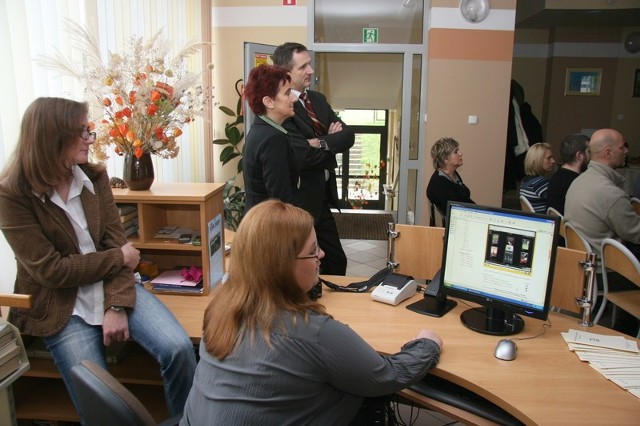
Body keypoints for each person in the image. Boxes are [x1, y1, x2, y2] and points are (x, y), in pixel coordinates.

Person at [0, 97, 197, 420]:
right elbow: (51, 271)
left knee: (178, 349)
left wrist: (116, 305)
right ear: (52, 137)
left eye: (89, 129)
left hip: (112, 287)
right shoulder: (12, 194)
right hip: (61, 304)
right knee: (98, 394)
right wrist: (119, 257)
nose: (91, 138)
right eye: (82, 132)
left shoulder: (94, 176)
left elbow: (116, 244)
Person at [179, 200, 442, 425]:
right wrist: (428, 344)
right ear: (283, 266)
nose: (322, 254)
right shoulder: (312, 332)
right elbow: (387, 375)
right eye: (313, 250)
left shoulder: (220, 308)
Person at [273, 42, 354, 276]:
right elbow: (303, 157)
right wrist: (331, 138)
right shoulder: (284, 106)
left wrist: (322, 141)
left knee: (336, 261)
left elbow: (347, 135)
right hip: (301, 202)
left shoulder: (317, 99)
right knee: (301, 266)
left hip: (323, 198)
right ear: (286, 72)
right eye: (304, 67)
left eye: (310, 64)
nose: (311, 71)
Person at [565, 128, 640, 260]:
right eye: (622, 148)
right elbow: (636, 234)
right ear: (608, 153)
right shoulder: (611, 193)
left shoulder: (578, 181)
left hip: (581, 264)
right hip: (608, 271)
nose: (626, 151)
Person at [242, 64, 299, 212]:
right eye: (287, 93)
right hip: (270, 227)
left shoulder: (260, 131)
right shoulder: (273, 139)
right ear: (269, 102)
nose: (293, 98)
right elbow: (280, 200)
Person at [426, 137, 474, 215]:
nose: (460, 153)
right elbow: (456, 212)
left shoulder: (453, 174)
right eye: (456, 152)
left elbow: (465, 201)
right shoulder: (439, 184)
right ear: (445, 158)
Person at [546, 134, 590, 215]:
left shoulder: (556, 176)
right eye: (589, 152)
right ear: (579, 155)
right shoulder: (577, 183)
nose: (591, 156)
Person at [519, 142, 556, 214]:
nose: (553, 161)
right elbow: (557, 204)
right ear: (538, 160)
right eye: (549, 158)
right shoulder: (540, 183)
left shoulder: (525, 181)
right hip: (544, 221)